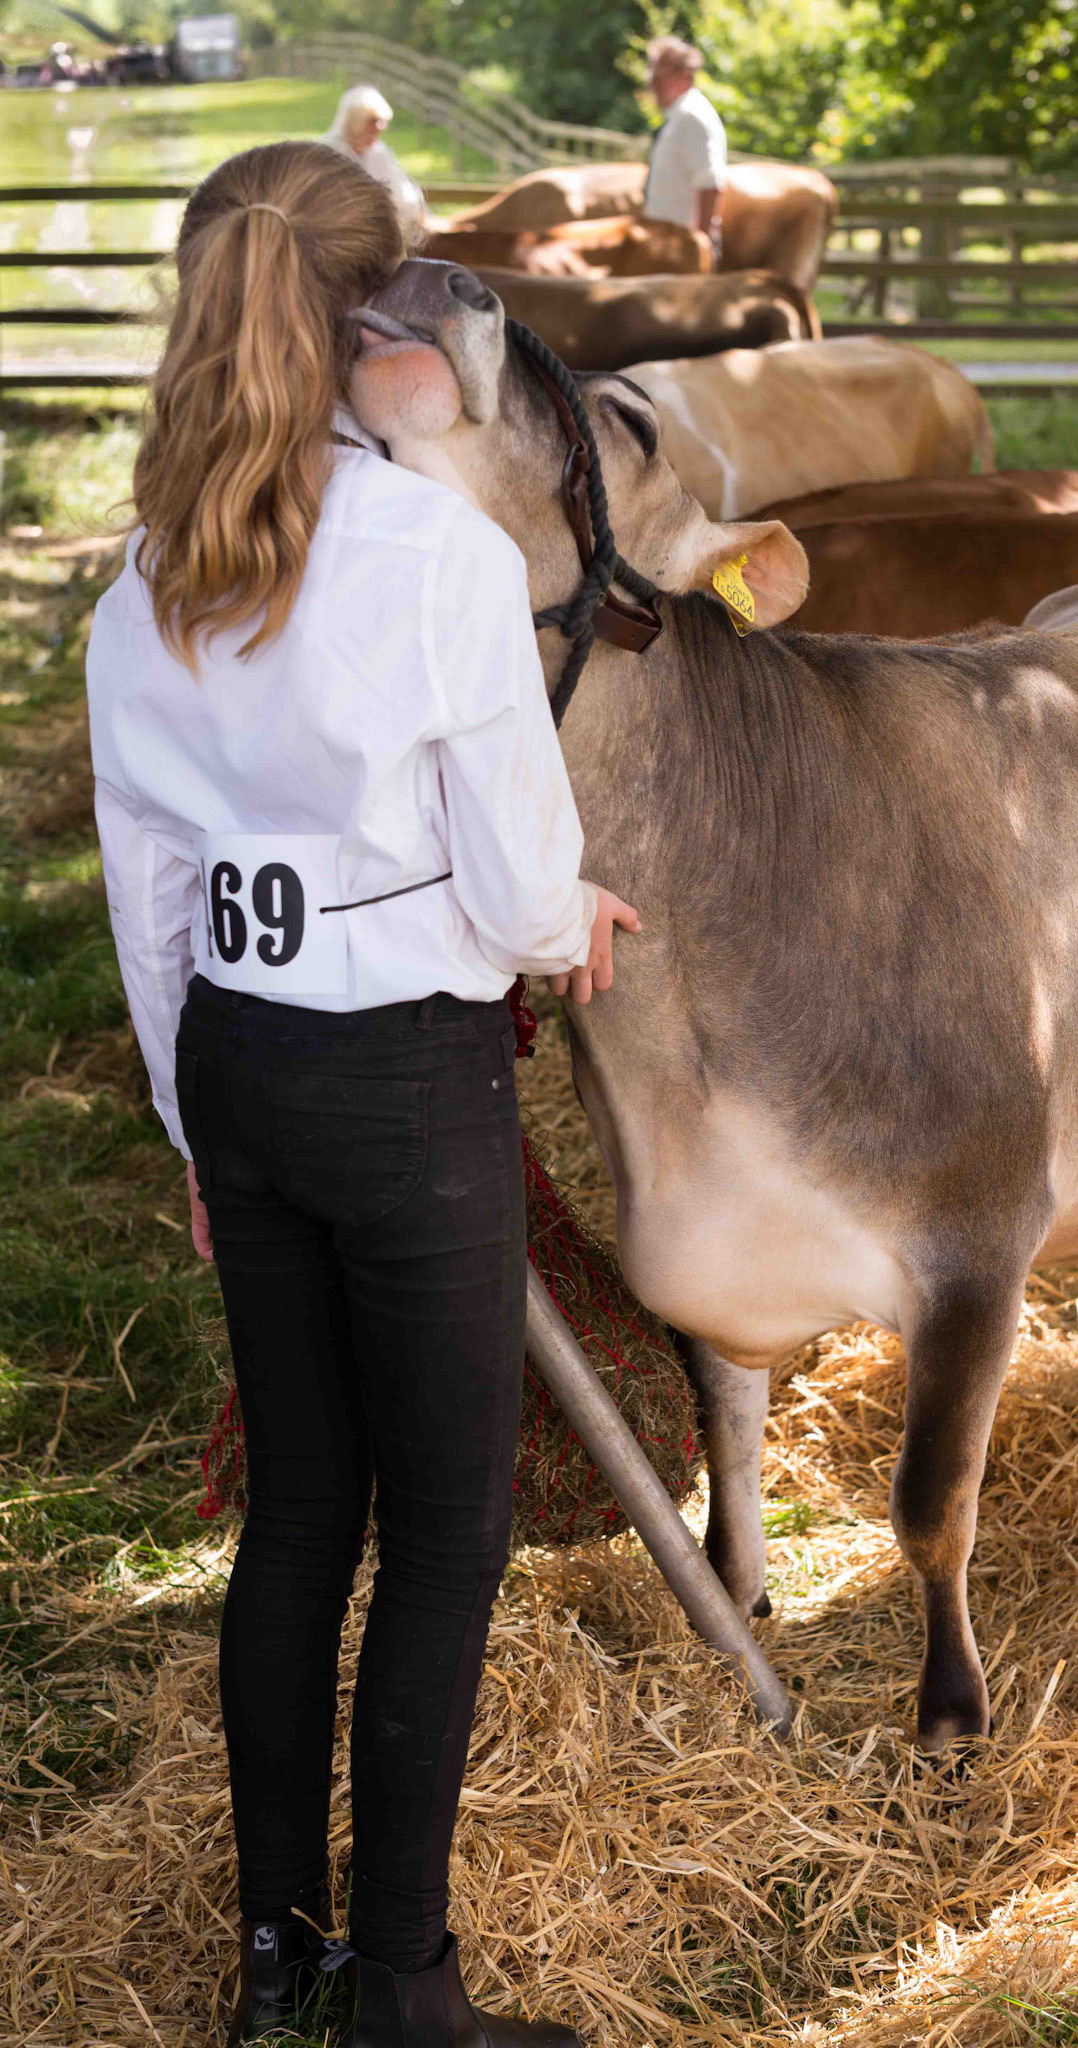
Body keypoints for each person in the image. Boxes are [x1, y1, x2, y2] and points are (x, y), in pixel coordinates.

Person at [86, 139, 640, 2047]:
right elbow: (506, 887)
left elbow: (148, 886)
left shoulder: (151, 563)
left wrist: (191, 1127)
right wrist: (571, 914)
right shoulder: (430, 555)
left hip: (239, 1059)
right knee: (445, 1529)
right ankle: (401, 1987)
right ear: (378, 315)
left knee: (301, 1516)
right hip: (402, 1086)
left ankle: (269, 1960)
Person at [641, 35, 727, 265]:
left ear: (685, 74)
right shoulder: (680, 116)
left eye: (659, 75)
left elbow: (710, 183)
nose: (652, 83)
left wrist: (700, 245)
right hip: (668, 242)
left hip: (680, 247)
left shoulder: (691, 116)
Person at [322, 84, 425, 236]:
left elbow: (402, 196)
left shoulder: (380, 153)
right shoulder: (328, 154)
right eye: (373, 121)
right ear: (355, 121)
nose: (380, 127)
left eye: (381, 121)